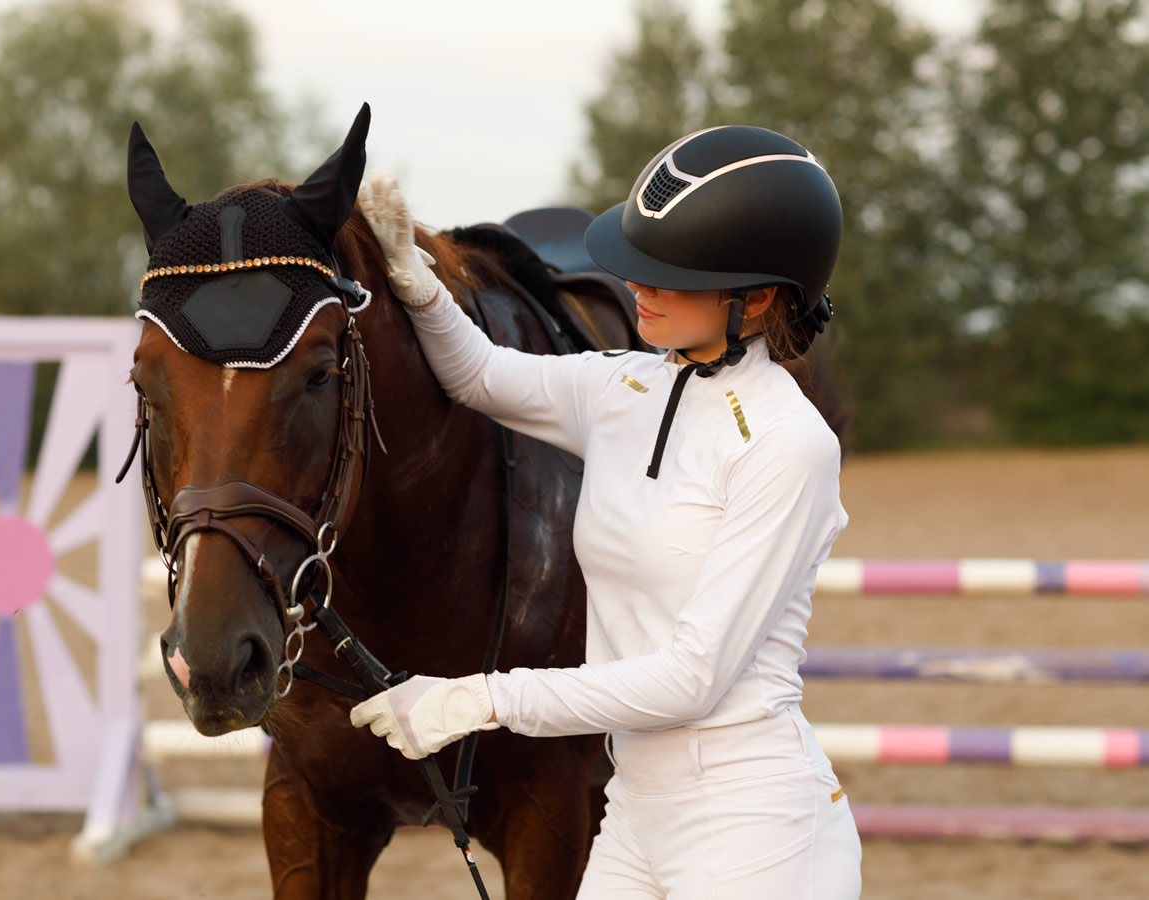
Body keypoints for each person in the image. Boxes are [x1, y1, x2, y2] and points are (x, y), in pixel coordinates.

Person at [351, 125, 862, 899]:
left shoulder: (789, 445)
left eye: (668, 276)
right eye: (637, 267)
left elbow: (691, 679)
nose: (636, 289)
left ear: (754, 298)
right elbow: (481, 375)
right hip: (633, 807)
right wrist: (413, 277)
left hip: (753, 826)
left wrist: (477, 696)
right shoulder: (625, 386)